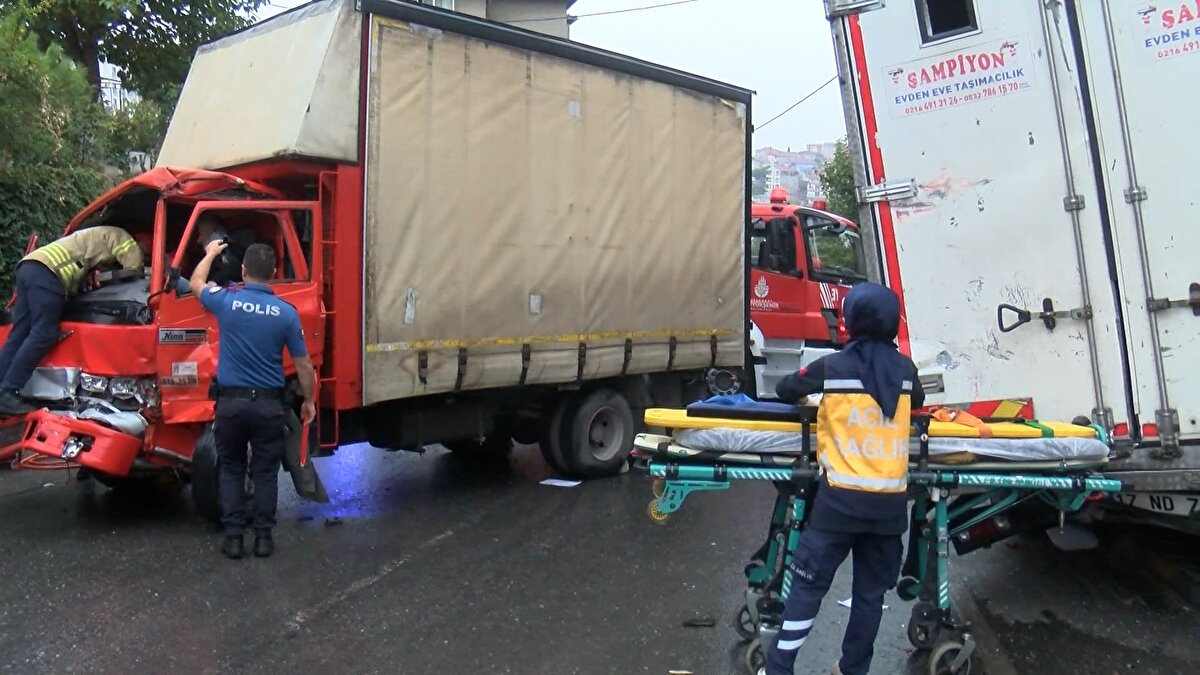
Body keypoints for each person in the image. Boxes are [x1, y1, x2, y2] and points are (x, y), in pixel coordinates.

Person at [761, 282, 923, 675]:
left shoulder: (832, 367)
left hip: (837, 505)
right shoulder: (905, 370)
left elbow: (785, 388)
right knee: (869, 598)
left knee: (807, 590)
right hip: (888, 510)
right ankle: (852, 670)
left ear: (851, 321)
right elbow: (915, 401)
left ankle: (779, 669)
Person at [191, 239, 315, 560]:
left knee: (231, 469)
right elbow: (303, 365)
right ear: (273, 273)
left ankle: (234, 539)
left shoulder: (226, 301)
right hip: (268, 408)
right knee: (264, 472)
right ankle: (263, 539)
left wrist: (210, 254)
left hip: (230, 407)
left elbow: (196, 283)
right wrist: (309, 402)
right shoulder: (286, 313)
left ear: (243, 270)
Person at [0, 226, 145, 416]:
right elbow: (134, 269)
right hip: (48, 273)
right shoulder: (124, 237)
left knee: (19, 334)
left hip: (29, 266)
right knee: (44, 332)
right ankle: (8, 393)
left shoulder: (91, 237)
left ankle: (2, 388)